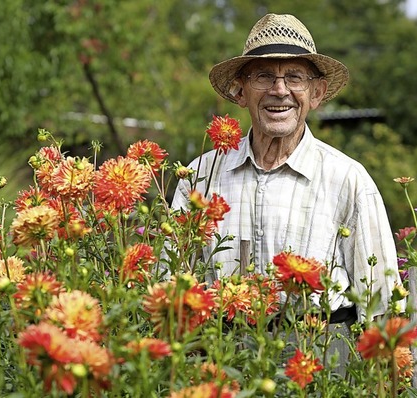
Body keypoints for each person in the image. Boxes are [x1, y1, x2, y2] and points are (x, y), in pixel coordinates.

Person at [171, 13, 402, 370]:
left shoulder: (348, 179)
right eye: (264, 76)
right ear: (240, 90)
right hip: (220, 353)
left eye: (294, 77)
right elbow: (170, 282)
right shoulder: (200, 176)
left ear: (317, 93)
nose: (279, 90)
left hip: (321, 354)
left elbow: (382, 300)